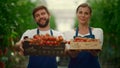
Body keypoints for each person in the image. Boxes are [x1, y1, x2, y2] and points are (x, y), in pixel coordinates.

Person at [64, 3, 103, 68]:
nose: (83, 15)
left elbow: (96, 53)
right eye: (80, 12)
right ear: (77, 14)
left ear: (90, 15)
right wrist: (73, 51)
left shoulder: (98, 31)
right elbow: (72, 55)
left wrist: (90, 48)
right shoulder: (68, 33)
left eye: (86, 13)